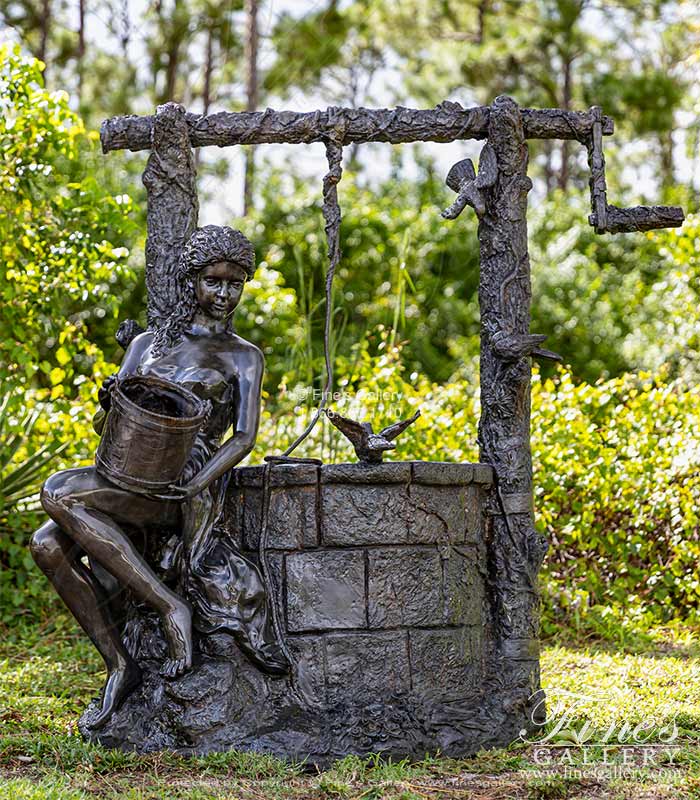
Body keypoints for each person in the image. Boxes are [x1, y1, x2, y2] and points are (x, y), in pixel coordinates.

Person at [30, 225, 288, 731]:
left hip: (183, 487)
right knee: (45, 545)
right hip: (128, 476)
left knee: (57, 492)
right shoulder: (148, 344)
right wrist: (109, 403)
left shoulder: (244, 356)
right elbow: (110, 426)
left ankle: (173, 610)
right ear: (191, 280)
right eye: (213, 281)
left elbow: (244, 438)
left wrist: (197, 485)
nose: (223, 294)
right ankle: (119, 664)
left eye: (235, 284)